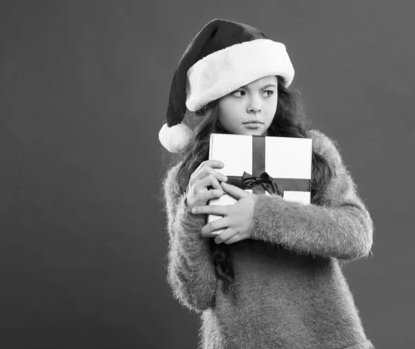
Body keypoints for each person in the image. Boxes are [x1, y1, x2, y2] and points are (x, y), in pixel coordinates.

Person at [159, 19, 375, 349]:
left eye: (267, 92)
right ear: (216, 99)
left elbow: (356, 235)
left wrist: (260, 216)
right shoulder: (189, 177)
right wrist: (190, 217)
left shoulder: (312, 152)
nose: (256, 106)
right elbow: (197, 295)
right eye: (240, 92)